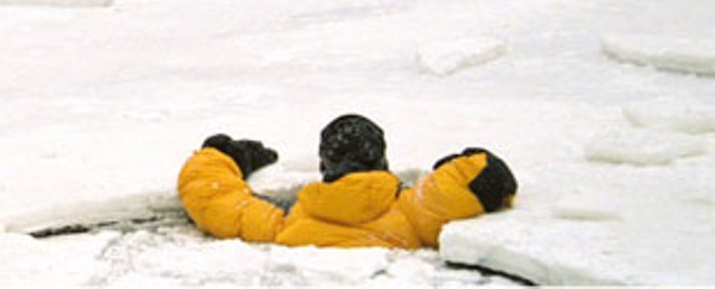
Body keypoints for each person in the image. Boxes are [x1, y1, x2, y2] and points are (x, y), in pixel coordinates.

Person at [178, 114, 516, 249]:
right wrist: (451, 165)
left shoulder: (287, 225)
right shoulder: (416, 213)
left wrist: (228, 156)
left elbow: (213, 198)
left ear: (326, 165)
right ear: (382, 160)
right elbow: (482, 173)